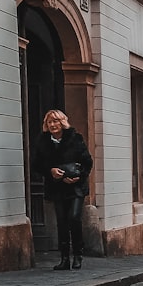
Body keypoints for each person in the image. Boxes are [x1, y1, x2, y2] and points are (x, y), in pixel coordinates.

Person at [32, 109, 93, 270]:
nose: (52, 125)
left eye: (55, 121)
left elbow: (87, 161)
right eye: (49, 122)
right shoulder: (43, 142)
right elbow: (36, 164)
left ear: (62, 122)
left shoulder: (75, 138)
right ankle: (64, 258)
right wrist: (50, 171)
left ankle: (78, 254)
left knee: (74, 217)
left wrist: (78, 175)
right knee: (62, 222)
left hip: (76, 187)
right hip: (57, 188)